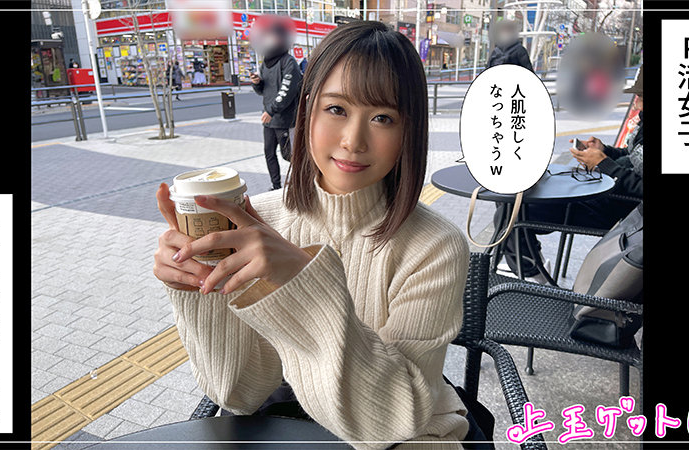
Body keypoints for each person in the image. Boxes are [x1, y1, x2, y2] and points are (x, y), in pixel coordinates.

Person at [153, 21, 490, 448]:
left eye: (382, 118)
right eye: (336, 109)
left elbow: (391, 419)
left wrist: (302, 282)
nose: (353, 141)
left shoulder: (435, 246)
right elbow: (237, 393)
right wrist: (198, 281)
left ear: (409, 131)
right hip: (284, 427)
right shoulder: (259, 222)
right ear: (307, 109)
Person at [496, 67, 644, 280]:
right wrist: (605, 151)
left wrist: (604, 164)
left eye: (641, 95)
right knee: (510, 197)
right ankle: (530, 262)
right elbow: (633, 157)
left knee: (511, 211)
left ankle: (533, 276)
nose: (636, 101)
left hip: (617, 209)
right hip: (599, 191)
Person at [250, 20, 303, 190]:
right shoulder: (266, 63)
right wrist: (257, 83)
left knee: (288, 155)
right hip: (269, 119)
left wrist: (271, 111)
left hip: (284, 119)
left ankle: (301, 181)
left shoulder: (289, 62)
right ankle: (276, 186)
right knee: (269, 153)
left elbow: (287, 90)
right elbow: (263, 91)